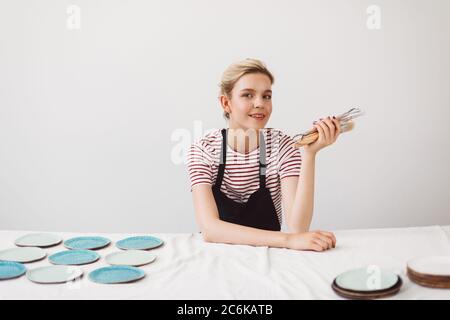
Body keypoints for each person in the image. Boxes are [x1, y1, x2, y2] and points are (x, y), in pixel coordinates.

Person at [187, 58, 341, 251]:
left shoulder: (283, 147)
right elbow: (210, 229)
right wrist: (288, 241)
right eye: (248, 95)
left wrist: (309, 155)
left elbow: (298, 226)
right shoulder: (203, 149)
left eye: (266, 96)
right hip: (218, 257)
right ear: (226, 103)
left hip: (271, 257)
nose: (260, 103)